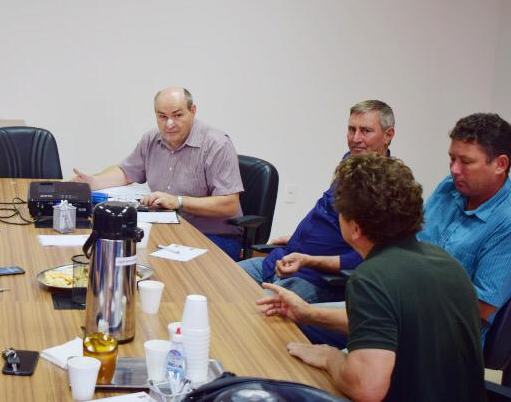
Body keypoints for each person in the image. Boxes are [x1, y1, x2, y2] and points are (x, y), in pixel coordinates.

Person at [258, 154, 484, 402]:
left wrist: (330, 357)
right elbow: (390, 323)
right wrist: (309, 313)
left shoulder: (371, 277)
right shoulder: (445, 262)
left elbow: (367, 388)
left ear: (355, 228)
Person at [238, 100, 395, 303]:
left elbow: (369, 258)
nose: (356, 139)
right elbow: (326, 217)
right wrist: (298, 237)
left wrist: (308, 259)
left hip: (313, 278)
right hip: (284, 258)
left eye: (366, 131)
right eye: (351, 129)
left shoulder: (386, 186)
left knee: (251, 311)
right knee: (218, 279)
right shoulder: (350, 161)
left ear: (388, 135)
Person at [70, 87, 244, 258]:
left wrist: (178, 202)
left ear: (193, 111)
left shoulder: (217, 145)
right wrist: (94, 182)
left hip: (214, 236)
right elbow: (126, 172)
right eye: (162, 116)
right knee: (118, 250)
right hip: (165, 228)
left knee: (162, 267)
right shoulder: (152, 139)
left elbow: (229, 204)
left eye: (177, 115)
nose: (169, 123)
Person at [418, 112, 511, 328]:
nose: (454, 170)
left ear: (500, 164)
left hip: (446, 331)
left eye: (466, 162)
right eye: (452, 159)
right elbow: (411, 240)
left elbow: (483, 306)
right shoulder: (448, 186)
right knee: (325, 319)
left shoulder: (506, 222)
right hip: (401, 305)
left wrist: (415, 288)